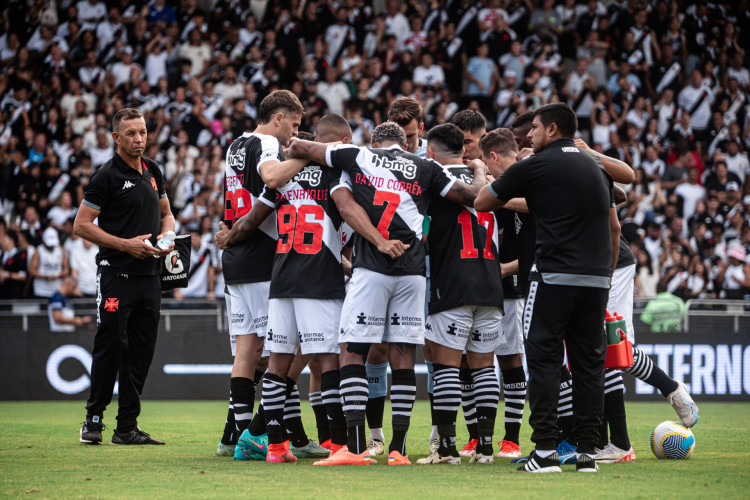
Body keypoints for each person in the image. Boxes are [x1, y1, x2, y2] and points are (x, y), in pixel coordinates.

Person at [288, 121, 487, 466]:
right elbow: (476, 199)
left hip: (373, 268)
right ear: (405, 144)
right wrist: (482, 171)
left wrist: (299, 149)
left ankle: (354, 447)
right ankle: (399, 449)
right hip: (413, 273)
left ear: (375, 141)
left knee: (352, 351)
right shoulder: (427, 167)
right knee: (403, 356)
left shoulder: (359, 156)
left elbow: (302, 149)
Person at [226, 115, 407, 463]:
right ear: (337, 141)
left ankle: (276, 447)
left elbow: (251, 220)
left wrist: (228, 238)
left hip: (280, 279)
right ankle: (339, 444)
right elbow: (348, 214)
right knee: (330, 362)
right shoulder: (339, 176)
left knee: (279, 362)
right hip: (319, 280)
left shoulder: (282, 179)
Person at [475, 103, 618, 473]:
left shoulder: (536, 165)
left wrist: (507, 180)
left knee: (543, 360)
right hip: (597, 278)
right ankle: (588, 452)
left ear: (552, 130)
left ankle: (545, 451)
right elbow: (616, 211)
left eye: (535, 128)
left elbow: (483, 200)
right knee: (589, 364)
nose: (530, 136)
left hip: (554, 277)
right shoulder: (596, 165)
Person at [73, 107, 175, 446]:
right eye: (131, 133)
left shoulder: (153, 169)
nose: (139, 139)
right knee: (111, 346)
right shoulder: (106, 176)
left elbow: (167, 215)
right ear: (116, 137)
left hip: (150, 277)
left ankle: (127, 426)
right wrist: (125, 245)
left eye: (143, 132)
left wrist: (166, 240)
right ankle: (93, 419)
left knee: (142, 352)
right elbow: (81, 224)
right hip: (116, 275)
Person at [215, 90, 306, 458]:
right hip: (263, 254)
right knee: (291, 347)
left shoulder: (235, 144)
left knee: (247, 350)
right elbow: (271, 178)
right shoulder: (268, 141)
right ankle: (256, 433)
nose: (294, 133)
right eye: (295, 125)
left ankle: (232, 434)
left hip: (236, 257)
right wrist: (305, 154)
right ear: (279, 118)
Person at [416, 123, 503, 466]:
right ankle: (484, 447)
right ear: (464, 151)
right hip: (490, 283)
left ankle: (448, 448)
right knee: (483, 368)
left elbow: (421, 236)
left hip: (451, 283)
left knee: (447, 367)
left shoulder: (433, 182)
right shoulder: (488, 184)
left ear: (431, 153)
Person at [29, 227, 68, 298]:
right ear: (43, 241)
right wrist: (46, 277)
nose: (51, 246)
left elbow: (66, 268)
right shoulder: (38, 251)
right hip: (41, 290)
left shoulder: (60, 250)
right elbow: (32, 270)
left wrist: (60, 275)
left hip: (57, 290)